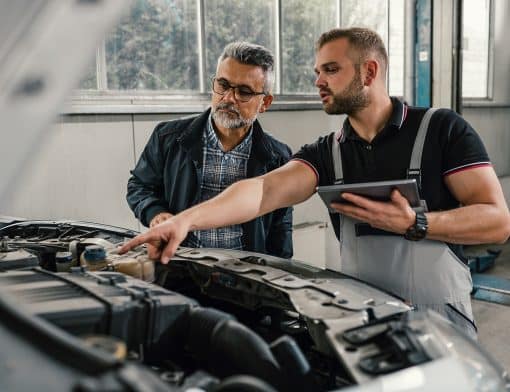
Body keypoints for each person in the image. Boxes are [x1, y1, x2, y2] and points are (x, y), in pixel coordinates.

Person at [120, 28, 510, 338]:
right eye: (317, 71)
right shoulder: (329, 152)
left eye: (330, 70)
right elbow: (262, 191)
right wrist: (184, 221)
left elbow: (498, 221)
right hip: (363, 320)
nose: (318, 81)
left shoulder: (441, 130)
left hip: (441, 322)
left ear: (369, 72)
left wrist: (417, 223)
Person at [126, 41, 293, 258]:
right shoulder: (167, 138)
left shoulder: (278, 157)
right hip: (181, 265)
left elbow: (281, 228)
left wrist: (279, 275)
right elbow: (139, 185)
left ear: (265, 102)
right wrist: (156, 213)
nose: (229, 98)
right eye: (223, 85)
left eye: (244, 92)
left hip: (246, 276)